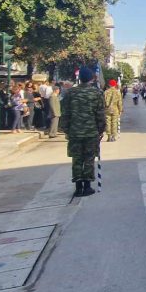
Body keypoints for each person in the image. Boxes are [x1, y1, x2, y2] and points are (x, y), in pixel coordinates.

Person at [59, 66, 105, 197]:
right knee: (89, 158)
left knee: (77, 159)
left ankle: (78, 187)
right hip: (91, 132)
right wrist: (101, 130)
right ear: (91, 78)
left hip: (74, 132)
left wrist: (66, 130)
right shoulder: (96, 93)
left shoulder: (70, 93)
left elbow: (65, 113)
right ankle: (87, 186)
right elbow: (100, 114)